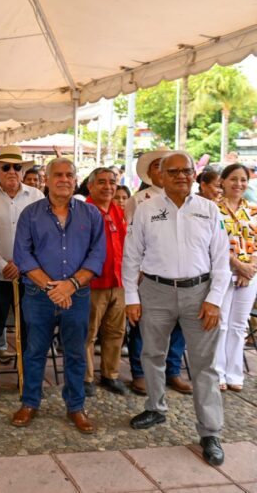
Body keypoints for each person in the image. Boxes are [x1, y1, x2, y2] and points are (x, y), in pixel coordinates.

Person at [123, 151, 230, 467]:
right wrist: (131, 297)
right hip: (154, 291)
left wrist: (214, 299)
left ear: (193, 176)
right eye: (174, 172)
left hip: (200, 293)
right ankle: (155, 408)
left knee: (204, 365)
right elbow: (131, 256)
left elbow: (221, 260)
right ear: (161, 176)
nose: (182, 176)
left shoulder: (209, 210)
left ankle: (210, 432)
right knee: (152, 354)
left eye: (187, 171)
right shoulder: (146, 210)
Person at [11, 158, 106, 434]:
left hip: (77, 295)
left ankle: (76, 407)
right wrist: (53, 288)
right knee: (34, 351)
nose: (64, 179)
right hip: (38, 295)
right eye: (58, 175)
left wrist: (71, 285)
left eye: (69, 175)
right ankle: (30, 403)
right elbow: (22, 255)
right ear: (47, 180)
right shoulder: (30, 214)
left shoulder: (91, 214)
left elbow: (97, 254)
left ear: (76, 180)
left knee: (76, 353)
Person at [0, 146, 43, 400]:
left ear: (24, 171)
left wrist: (24, 263)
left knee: (29, 330)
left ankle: (29, 380)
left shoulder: (36, 196)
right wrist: (2, 263)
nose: (12, 172)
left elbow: (42, 237)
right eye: (6, 167)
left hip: (30, 276)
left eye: (17, 167)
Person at [124, 150, 192, 396]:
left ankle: (173, 371)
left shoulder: (189, 200)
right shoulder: (139, 200)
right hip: (149, 276)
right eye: (158, 167)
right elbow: (130, 240)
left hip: (183, 278)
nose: (175, 175)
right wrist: (136, 272)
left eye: (181, 170)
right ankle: (140, 373)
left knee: (178, 328)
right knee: (144, 326)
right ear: (154, 173)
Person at [84, 168, 128, 396]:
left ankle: (110, 374)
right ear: (90, 186)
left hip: (118, 282)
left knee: (115, 332)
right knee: (89, 333)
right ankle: (87, 377)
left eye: (112, 182)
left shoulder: (118, 210)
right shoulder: (83, 211)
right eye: (102, 182)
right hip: (93, 284)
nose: (108, 187)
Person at [214, 164, 257, 392]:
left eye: (243, 180)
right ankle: (218, 372)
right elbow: (215, 244)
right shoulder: (213, 209)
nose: (238, 184)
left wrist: (250, 267)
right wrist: (238, 265)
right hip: (223, 272)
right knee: (220, 324)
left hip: (249, 274)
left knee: (239, 325)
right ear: (222, 181)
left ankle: (234, 373)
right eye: (233, 179)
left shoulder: (253, 210)